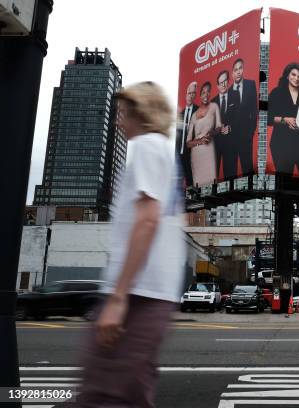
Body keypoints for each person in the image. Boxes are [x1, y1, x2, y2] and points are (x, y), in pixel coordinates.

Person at [77, 81, 186, 407]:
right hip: (151, 293)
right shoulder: (161, 151)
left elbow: (147, 220)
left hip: (139, 295)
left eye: (123, 113)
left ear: (142, 112)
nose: (117, 121)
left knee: (102, 394)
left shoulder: (147, 147)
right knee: (132, 391)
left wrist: (118, 298)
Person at [268, 62, 299, 177]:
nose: (296, 78)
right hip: (281, 143)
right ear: (287, 75)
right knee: (284, 183)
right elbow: (266, 117)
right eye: (293, 74)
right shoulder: (276, 93)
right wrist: (284, 120)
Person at [186, 82, 222, 186]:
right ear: (200, 95)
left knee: (211, 182)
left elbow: (219, 126)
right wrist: (199, 141)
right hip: (196, 153)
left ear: (210, 93)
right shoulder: (193, 115)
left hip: (208, 150)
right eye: (203, 92)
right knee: (198, 185)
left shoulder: (214, 106)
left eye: (208, 92)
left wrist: (211, 133)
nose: (205, 95)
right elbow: (188, 143)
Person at [229, 58, 257, 176]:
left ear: (243, 69)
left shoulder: (251, 84)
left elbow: (254, 109)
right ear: (232, 73)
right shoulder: (229, 92)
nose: (239, 71)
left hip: (247, 135)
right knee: (232, 170)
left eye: (240, 68)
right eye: (236, 70)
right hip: (232, 137)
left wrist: (252, 130)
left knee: (248, 168)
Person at [211, 70, 237, 180]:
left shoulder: (236, 96)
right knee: (212, 177)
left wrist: (230, 127)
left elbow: (241, 118)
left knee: (230, 177)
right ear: (217, 85)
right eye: (221, 82)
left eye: (225, 81)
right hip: (215, 145)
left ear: (229, 81)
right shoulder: (212, 103)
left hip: (231, 143)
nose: (223, 84)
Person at [176, 81, 198, 186]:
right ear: (186, 95)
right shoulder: (180, 114)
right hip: (180, 152)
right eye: (189, 93)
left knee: (191, 179)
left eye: (193, 93)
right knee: (179, 180)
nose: (190, 95)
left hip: (192, 152)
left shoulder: (198, 111)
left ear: (195, 95)